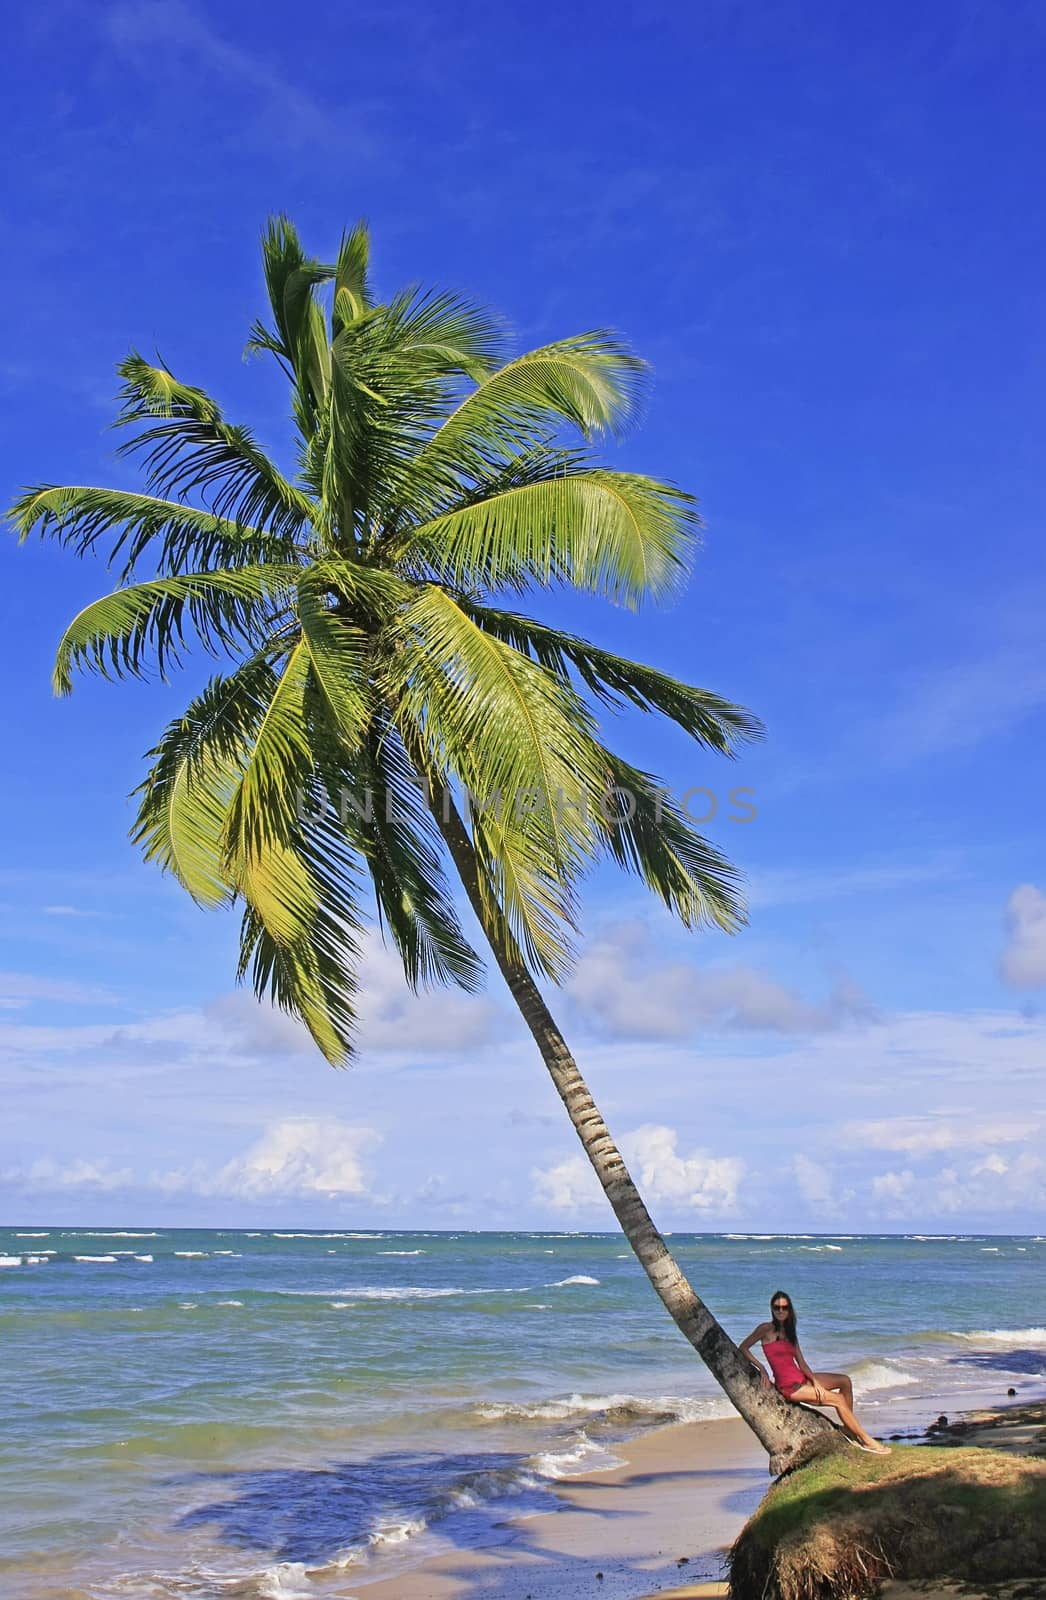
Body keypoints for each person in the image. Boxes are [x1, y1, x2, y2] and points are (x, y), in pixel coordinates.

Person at [740, 1289, 890, 1455]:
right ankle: (866, 1440)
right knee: (839, 1400)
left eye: (784, 1307)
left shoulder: (790, 1332)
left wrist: (816, 1382)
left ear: (789, 1309)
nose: (780, 1311)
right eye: (777, 1308)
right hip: (789, 1387)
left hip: (801, 1377)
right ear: (772, 1309)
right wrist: (762, 1370)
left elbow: (802, 1364)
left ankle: (848, 1429)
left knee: (845, 1381)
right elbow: (743, 1348)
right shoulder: (765, 1329)